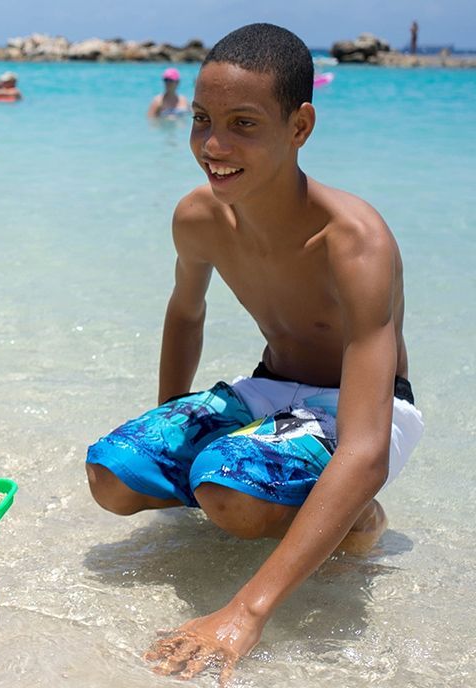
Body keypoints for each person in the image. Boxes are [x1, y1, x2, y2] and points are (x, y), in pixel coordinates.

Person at [85, 23, 423, 684]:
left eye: (243, 124)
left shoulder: (354, 241)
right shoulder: (199, 217)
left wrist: (246, 611)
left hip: (366, 411)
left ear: (300, 127)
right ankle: (245, 480)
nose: (214, 146)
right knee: (114, 475)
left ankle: (356, 520)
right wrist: (170, 432)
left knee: (229, 494)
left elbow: (367, 445)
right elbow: (186, 312)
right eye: (203, 119)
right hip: (272, 387)